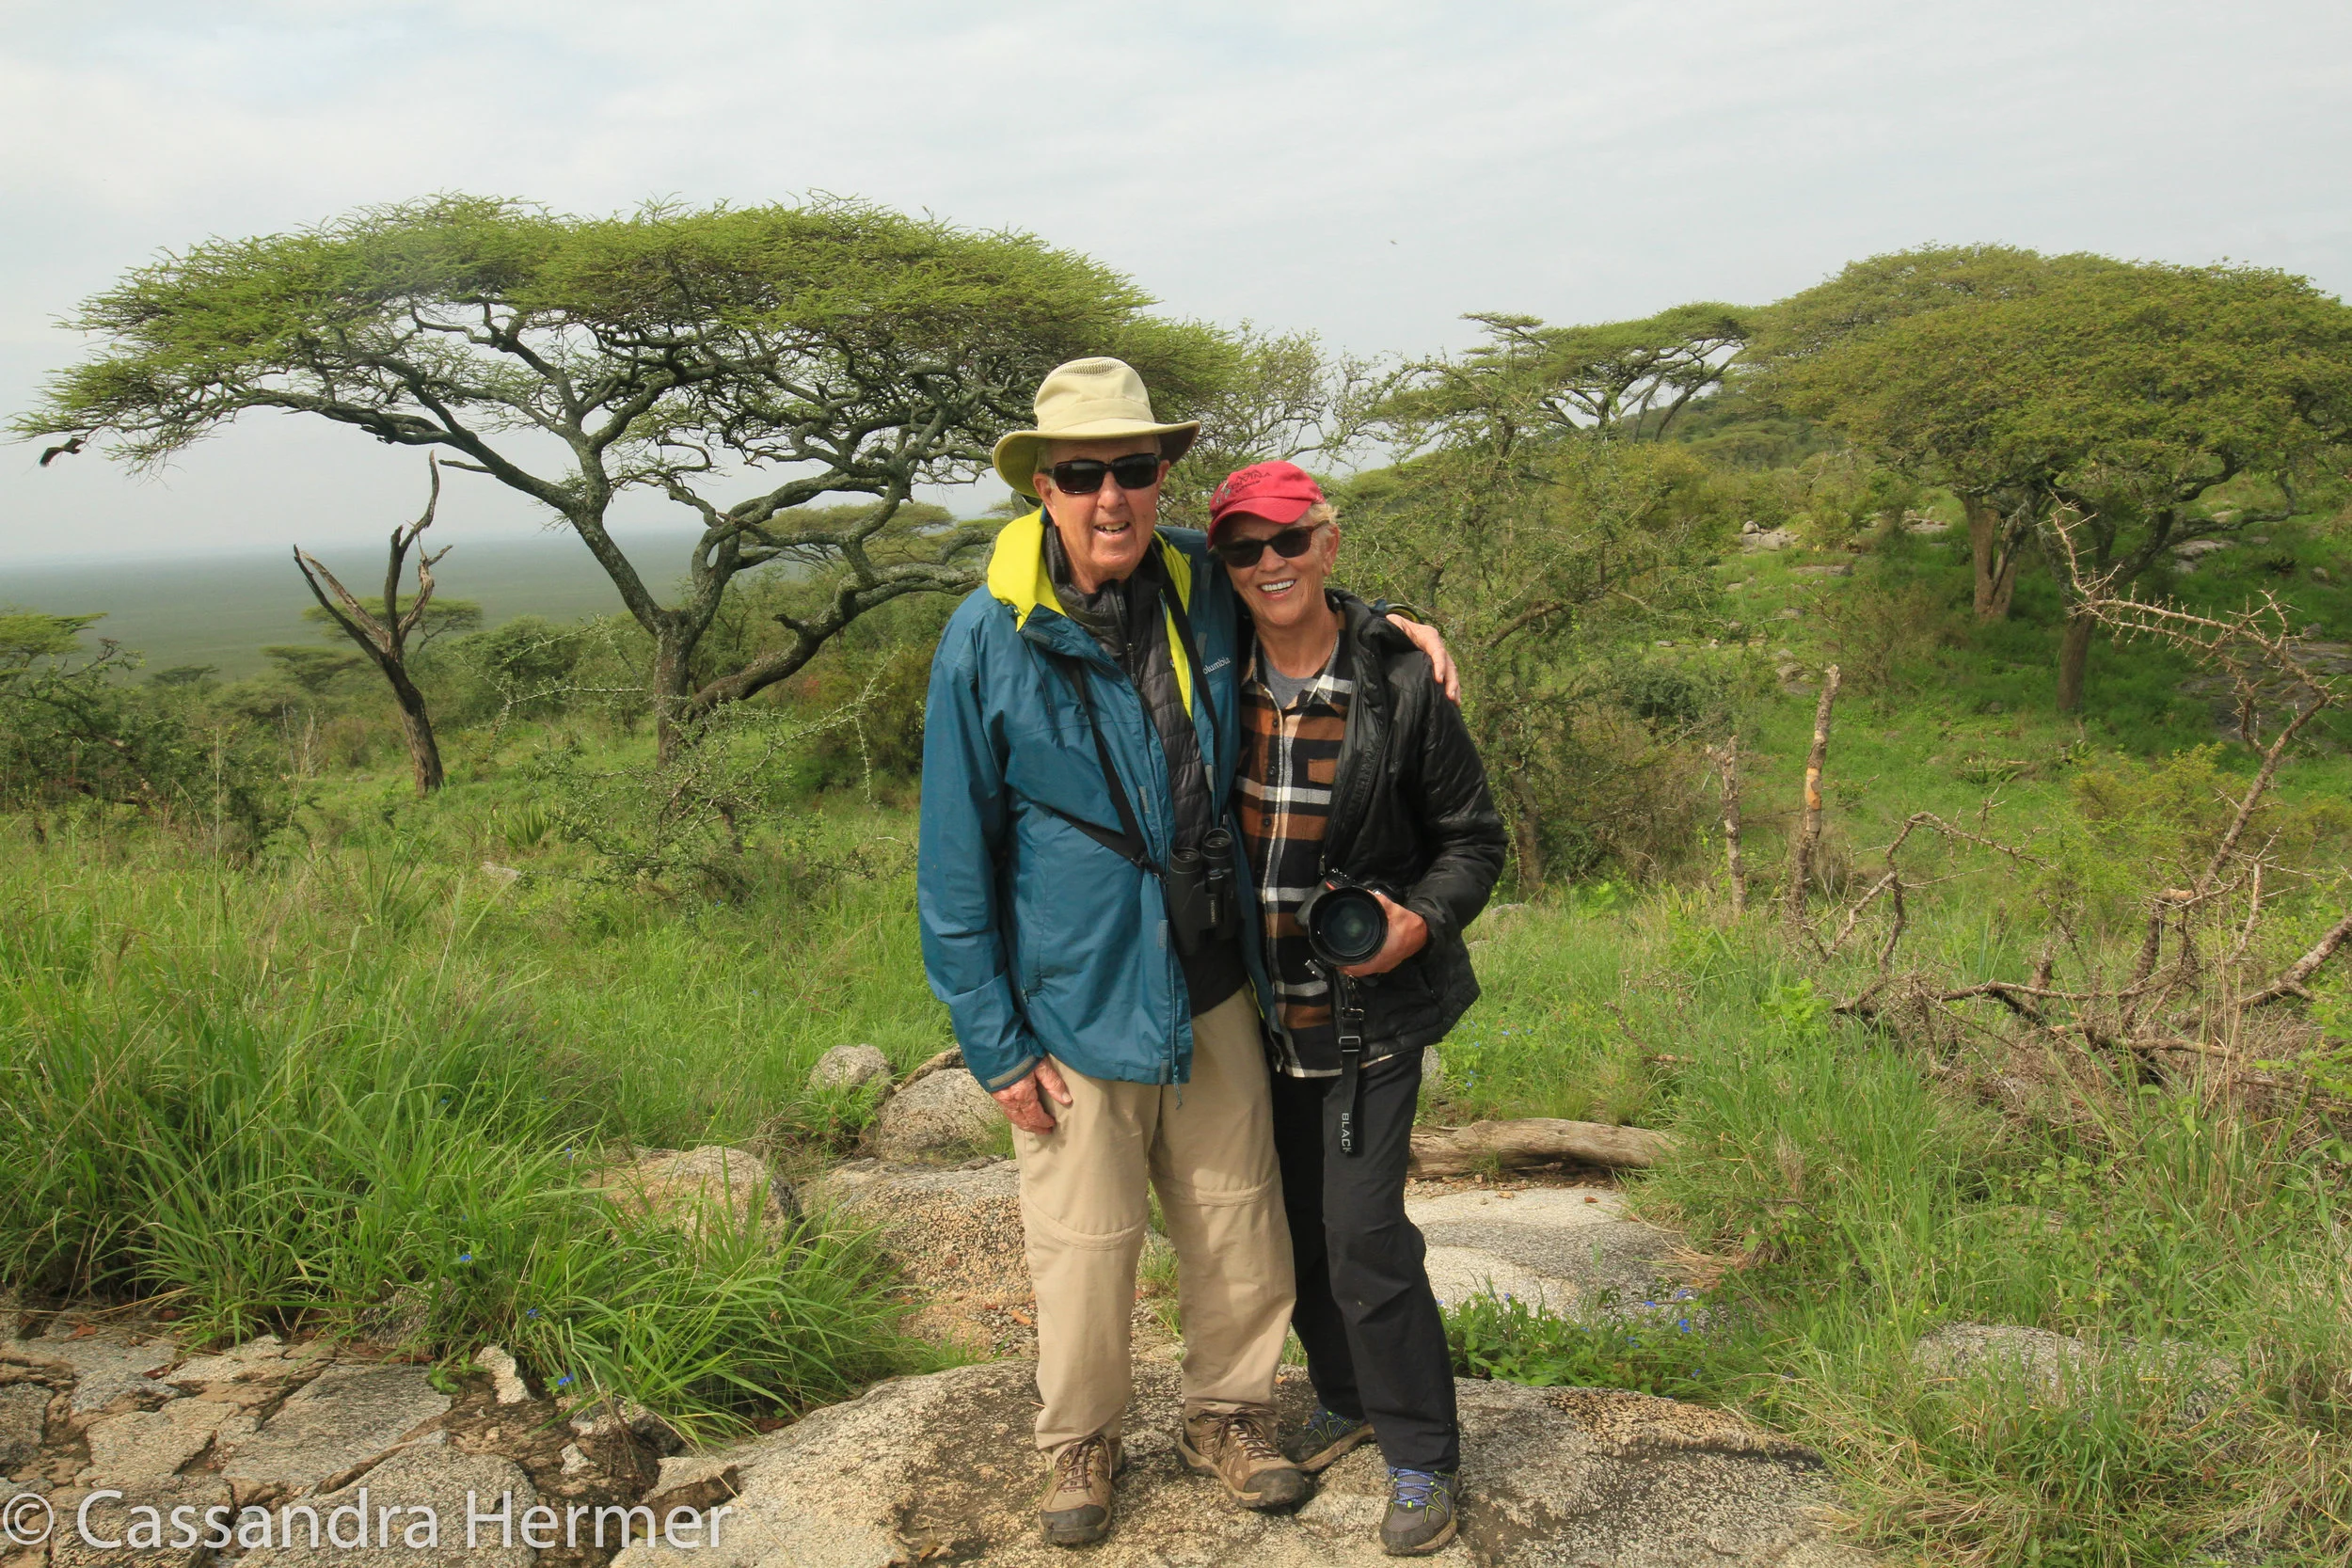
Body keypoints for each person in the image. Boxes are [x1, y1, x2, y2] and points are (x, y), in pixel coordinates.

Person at [917, 358, 1457, 1548]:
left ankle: (1228, 1415)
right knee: (1083, 1243)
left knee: (1237, 1219)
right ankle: (1082, 1440)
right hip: (1076, 994)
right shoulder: (987, 635)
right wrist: (992, 1036)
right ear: (1042, 488)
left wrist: (1391, 630)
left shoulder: (1193, 587)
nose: (1111, 496)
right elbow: (954, 859)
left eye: (1133, 470)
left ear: (1161, 477)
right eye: (1082, 473)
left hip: (1215, 979)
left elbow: (1296, 590)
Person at [1208, 460, 1508, 1557]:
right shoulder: (1211, 666)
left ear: (1329, 541)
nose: (1269, 564)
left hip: (1369, 1010)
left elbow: (1475, 840)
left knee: (1365, 1234)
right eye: (1243, 548)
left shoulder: (1401, 681)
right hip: (1253, 1014)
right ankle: (1344, 1393)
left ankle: (1423, 1454)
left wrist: (1415, 923)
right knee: (1290, 1230)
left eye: (1289, 539)